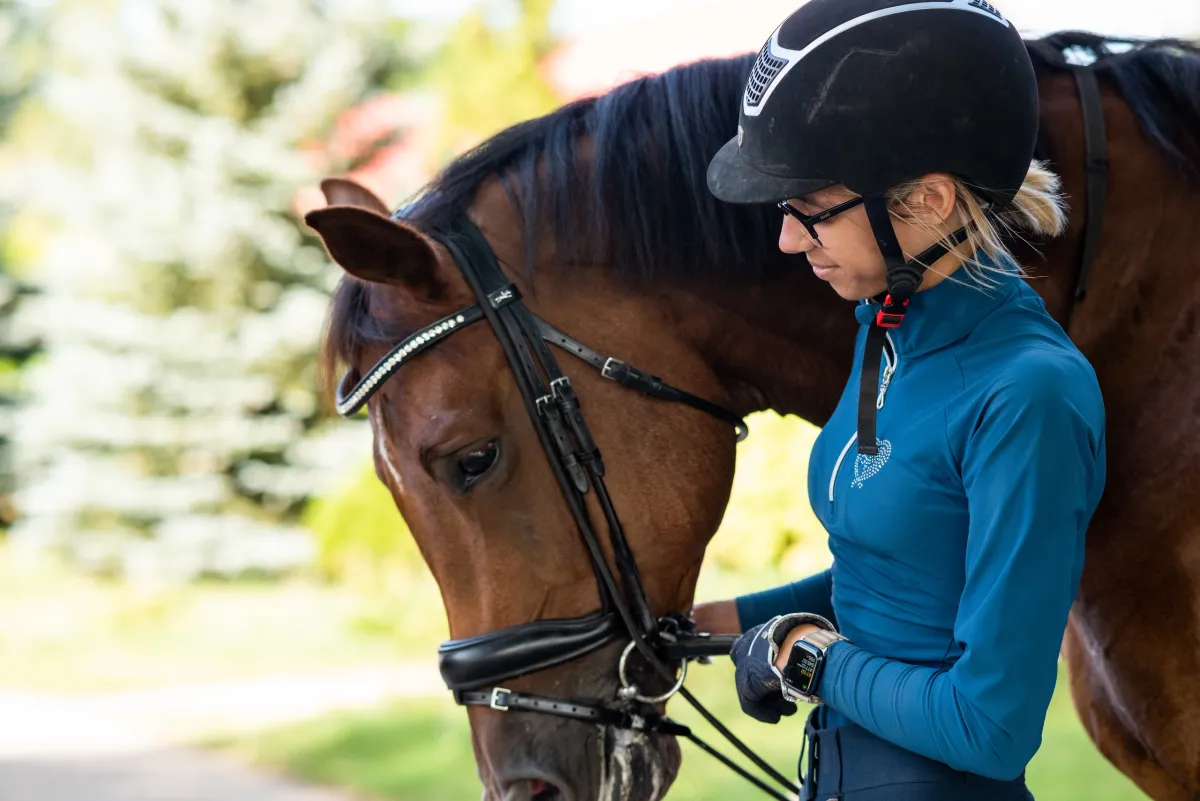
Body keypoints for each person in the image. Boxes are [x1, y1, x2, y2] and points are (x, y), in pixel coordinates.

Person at [698, 1, 1107, 798]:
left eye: (811, 210)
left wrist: (810, 657)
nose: (787, 239)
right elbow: (896, 577)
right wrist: (715, 620)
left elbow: (991, 726)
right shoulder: (885, 329)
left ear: (929, 200)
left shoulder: (1030, 395)